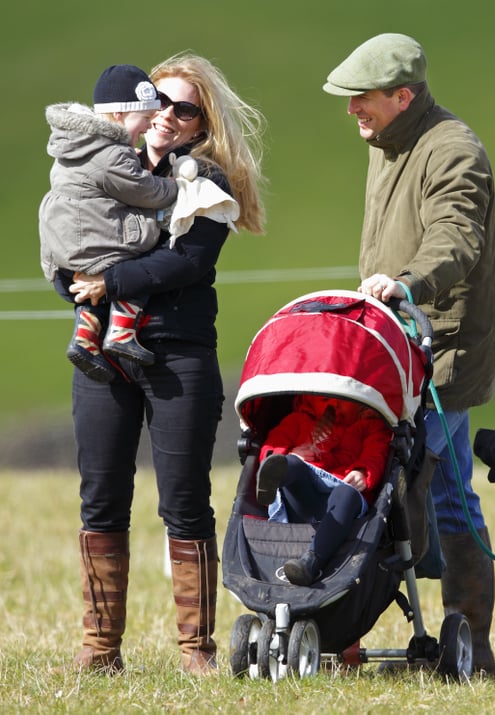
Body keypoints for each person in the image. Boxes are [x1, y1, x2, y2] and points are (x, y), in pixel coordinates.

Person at [64, 52, 266, 675]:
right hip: (100, 352)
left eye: (185, 108)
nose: (168, 116)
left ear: (204, 122)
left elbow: (188, 264)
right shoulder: (104, 167)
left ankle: (195, 650)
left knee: (184, 501)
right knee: (100, 498)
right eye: (159, 101)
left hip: (177, 354)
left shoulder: (209, 181)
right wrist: (75, 281)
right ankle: (100, 650)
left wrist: (109, 281)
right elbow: (67, 245)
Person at [323, 33, 495, 675]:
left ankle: (471, 645)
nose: (352, 111)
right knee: (392, 486)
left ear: (403, 95)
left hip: (440, 351)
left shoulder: (454, 150)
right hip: (391, 344)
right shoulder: (387, 141)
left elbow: (456, 236)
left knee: (445, 494)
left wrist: (406, 285)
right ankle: (360, 630)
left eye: (361, 99)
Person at [39, 64, 179, 381]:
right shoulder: (112, 154)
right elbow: (145, 191)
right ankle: (120, 334)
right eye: (144, 119)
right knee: (135, 265)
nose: (147, 127)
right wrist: (176, 187)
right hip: (92, 239)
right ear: (118, 115)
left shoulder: (77, 143)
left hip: (64, 241)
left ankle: (86, 338)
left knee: (95, 288)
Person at [255, 395, 392, 586]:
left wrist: (362, 471)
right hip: (303, 496)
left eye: (342, 398)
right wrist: (288, 453)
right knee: (292, 463)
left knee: (346, 493)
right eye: (325, 398)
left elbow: (376, 452)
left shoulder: (369, 425)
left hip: (342, 499)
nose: (333, 404)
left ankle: (311, 562)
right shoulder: (298, 420)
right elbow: (272, 444)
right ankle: (273, 477)